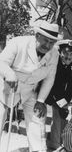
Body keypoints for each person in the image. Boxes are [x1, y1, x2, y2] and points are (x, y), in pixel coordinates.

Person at [0, 20, 60, 151]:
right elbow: (2, 62)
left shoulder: (54, 54)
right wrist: (9, 74)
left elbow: (50, 79)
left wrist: (41, 100)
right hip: (6, 87)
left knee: (37, 120)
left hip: (29, 90)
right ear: (37, 35)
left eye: (51, 42)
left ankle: (38, 150)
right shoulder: (18, 42)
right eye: (45, 40)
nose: (48, 45)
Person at [45, 39, 72, 150]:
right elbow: (53, 86)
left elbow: (71, 85)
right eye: (65, 53)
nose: (68, 57)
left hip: (65, 97)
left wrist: (67, 101)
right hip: (51, 95)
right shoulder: (55, 64)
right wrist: (61, 103)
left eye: (71, 54)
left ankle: (61, 142)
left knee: (65, 117)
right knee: (57, 115)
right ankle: (55, 144)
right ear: (60, 53)